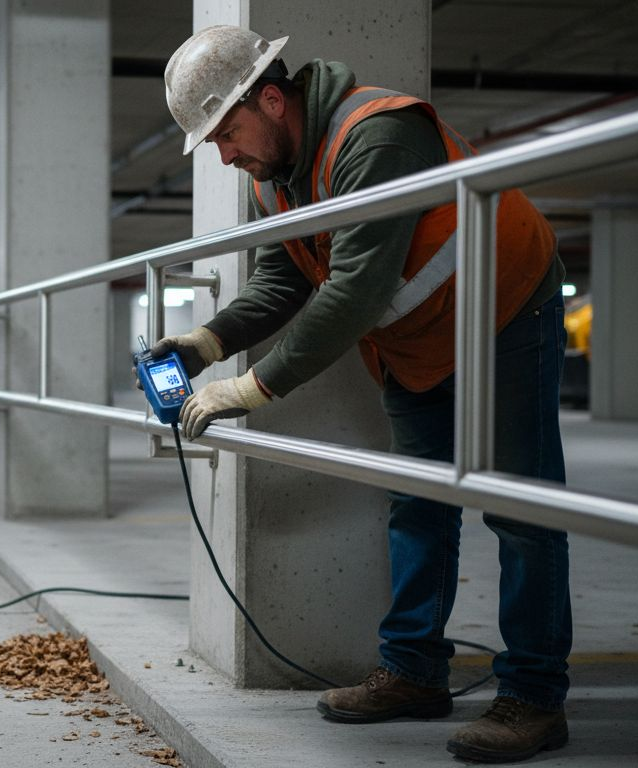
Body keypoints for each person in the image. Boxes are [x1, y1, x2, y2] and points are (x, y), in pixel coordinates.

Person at [155, 25, 572, 764]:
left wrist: (248, 388)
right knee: (415, 496)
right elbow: (287, 276)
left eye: (225, 133)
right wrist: (206, 343)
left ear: (273, 99)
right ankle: (414, 671)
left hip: (504, 308)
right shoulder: (271, 178)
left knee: (520, 507)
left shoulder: (377, 135)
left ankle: (532, 697)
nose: (224, 155)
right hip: (418, 341)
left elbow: (351, 292)